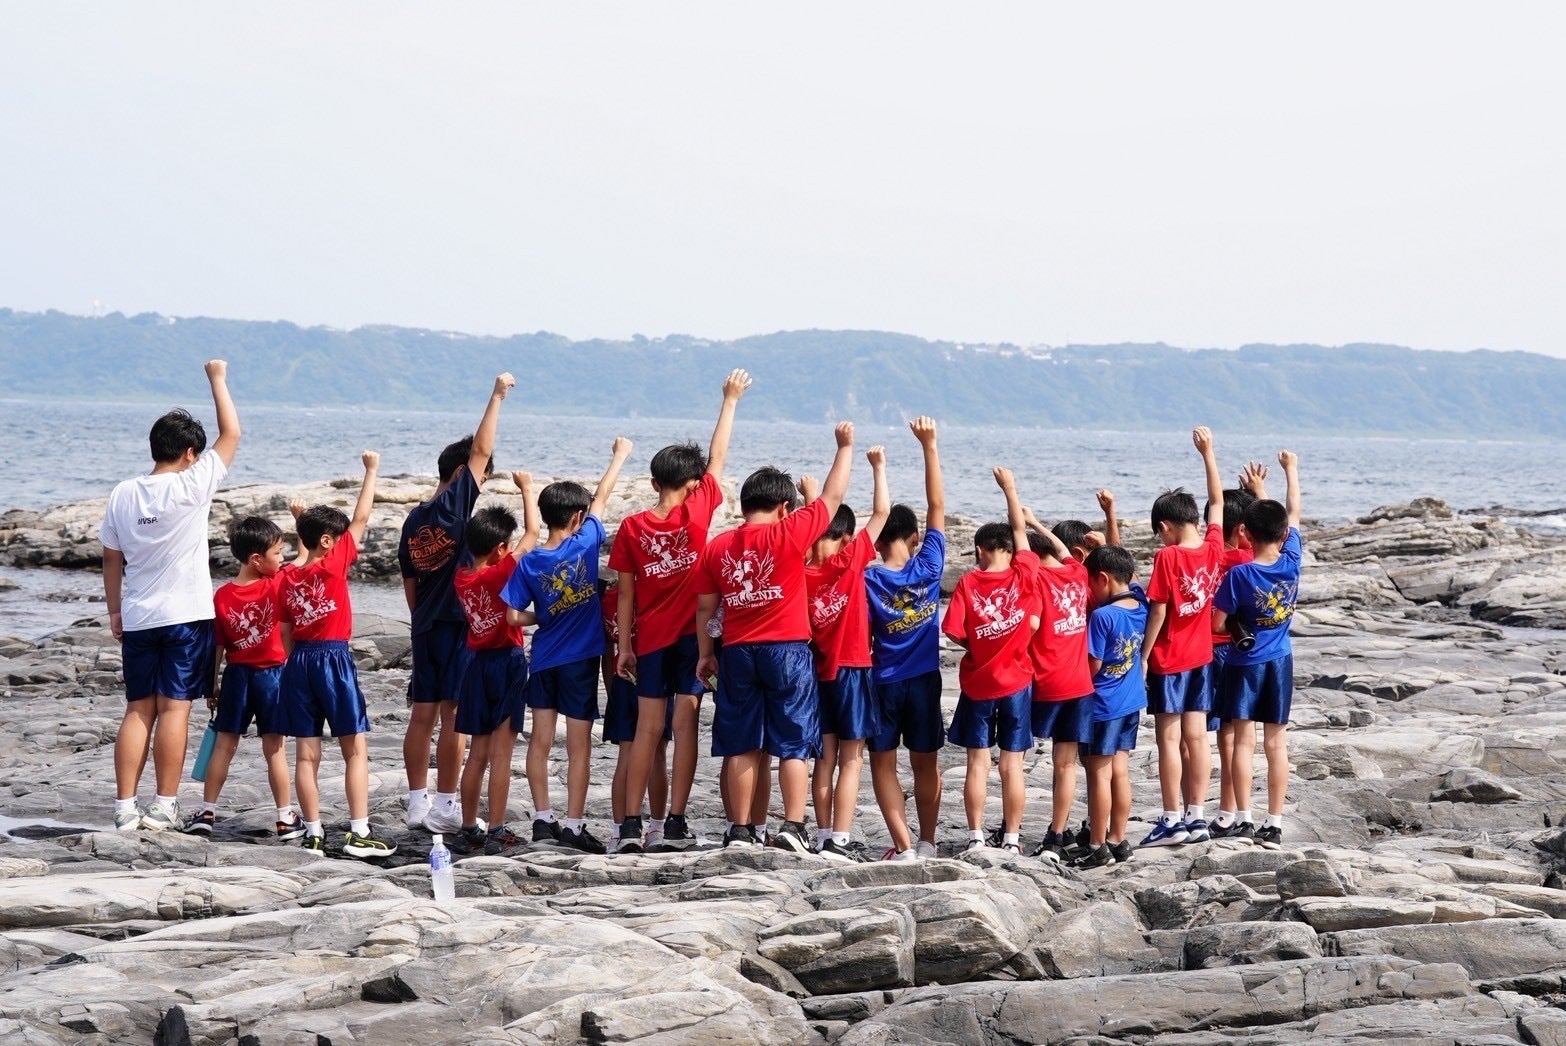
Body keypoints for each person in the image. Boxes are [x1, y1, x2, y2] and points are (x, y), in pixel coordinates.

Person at [695, 422, 856, 852]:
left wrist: (705, 654)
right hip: (786, 650)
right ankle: (793, 826)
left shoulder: (717, 546)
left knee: (743, 743)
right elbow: (832, 497)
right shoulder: (789, 531)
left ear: (745, 504)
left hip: (737, 650)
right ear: (784, 507)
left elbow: (706, 609)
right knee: (793, 742)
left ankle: (740, 829)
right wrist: (844, 447)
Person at [610, 369, 750, 851]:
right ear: (692, 485)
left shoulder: (632, 526)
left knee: (647, 729)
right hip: (693, 638)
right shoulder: (697, 509)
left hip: (648, 639)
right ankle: (674, 821)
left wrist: (623, 646)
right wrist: (730, 400)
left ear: (653, 481)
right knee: (685, 726)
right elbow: (719, 457)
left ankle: (631, 825)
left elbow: (624, 594)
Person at [102, 359, 240, 831]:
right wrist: (217, 378)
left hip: (139, 616)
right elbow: (232, 433)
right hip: (185, 615)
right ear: (188, 452)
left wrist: (115, 611)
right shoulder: (191, 484)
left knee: (138, 709)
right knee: (174, 708)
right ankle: (164, 805)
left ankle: (124, 807)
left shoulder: (123, 493)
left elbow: (112, 559)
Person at [503, 437, 634, 854]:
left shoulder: (529, 561)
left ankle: (543, 820)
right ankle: (574, 826)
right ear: (577, 517)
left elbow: (512, 617)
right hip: (580, 662)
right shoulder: (586, 541)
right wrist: (619, 456)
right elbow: (603, 496)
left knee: (540, 742)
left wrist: (544, 616)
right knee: (579, 747)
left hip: (543, 659)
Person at [400, 373, 515, 834]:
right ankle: (446, 805)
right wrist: (497, 396)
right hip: (455, 627)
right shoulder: (453, 509)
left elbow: (410, 582)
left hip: (425, 626)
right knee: (453, 714)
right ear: (461, 475)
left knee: (421, 715)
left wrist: (420, 620)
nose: (482, 482)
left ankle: (416, 802)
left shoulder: (413, 520)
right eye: (480, 478)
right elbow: (481, 450)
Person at [280, 451, 394, 858]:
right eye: (338, 537)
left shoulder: (286, 577)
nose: (347, 539)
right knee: (354, 748)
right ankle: (359, 832)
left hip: (298, 663)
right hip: (333, 659)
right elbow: (361, 517)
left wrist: (302, 523)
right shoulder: (333, 565)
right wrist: (371, 471)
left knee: (306, 755)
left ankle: (313, 833)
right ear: (328, 541)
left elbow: (285, 630)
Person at [183, 507, 309, 838]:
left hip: (236, 677)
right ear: (256, 559)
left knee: (224, 745)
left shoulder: (222, 595)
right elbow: (304, 559)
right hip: (273, 678)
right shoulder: (276, 583)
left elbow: (217, 648)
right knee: (275, 749)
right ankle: (285, 817)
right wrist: (301, 521)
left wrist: (211, 684)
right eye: (277, 552)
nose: (282, 559)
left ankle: (206, 812)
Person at [941, 467, 1040, 856]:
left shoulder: (969, 583)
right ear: (1011, 551)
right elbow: (1020, 530)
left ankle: (976, 837)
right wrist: (1010, 489)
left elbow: (952, 630)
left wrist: (977, 644)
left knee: (977, 764)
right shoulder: (1025, 574)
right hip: (1017, 682)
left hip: (979, 684)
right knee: (1012, 766)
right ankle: (1012, 839)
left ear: (981, 549)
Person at [801, 443, 889, 861]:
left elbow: (808, 534)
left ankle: (821, 834)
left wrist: (810, 499)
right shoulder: (850, 561)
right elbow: (883, 512)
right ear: (848, 537)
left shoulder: (800, 571)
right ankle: (839, 837)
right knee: (852, 760)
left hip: (817, 673)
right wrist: (878, 467)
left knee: (825, 757)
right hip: (853, 669)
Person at [1139, 426, 1225, 848]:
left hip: (1170, 659)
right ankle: (1198, 815)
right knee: (1197, 738)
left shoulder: (1168, 556)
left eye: (1160, 531)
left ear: (1166, 526)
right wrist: (1208, 453)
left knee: (1169, 740)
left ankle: (1172, 818)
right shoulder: (1213, 548)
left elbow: (1158, 609)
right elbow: (1218, 502)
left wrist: (1142, 656)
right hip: (1202, 657)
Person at [1213, 450, 1303, 849]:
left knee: (1243, 742)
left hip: (1244, 662)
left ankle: (1244, 819)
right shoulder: (1292, 560)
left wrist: (1237, 623)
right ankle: (1275, 823)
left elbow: (1217, 624)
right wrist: (1289, 471)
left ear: (1245, 534)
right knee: (1276, 743)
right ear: (1283, 535)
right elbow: (1292, 513)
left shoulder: (1239, 574)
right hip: (1280, 661)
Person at [864, 417, 945, 861]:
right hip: (925, 679)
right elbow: (937, 504)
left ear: (877, 542)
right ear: (915, 537)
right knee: (926, 762)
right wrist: (929, 446)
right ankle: (928, 841)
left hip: (884, 681)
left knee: (883, 762)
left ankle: (903, 846)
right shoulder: (929, 566)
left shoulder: (868, 580)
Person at [451, 476, 540, 854]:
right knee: (502, 754)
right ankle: (497, 829)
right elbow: (533, 533)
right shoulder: (502, 571)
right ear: (500, 548)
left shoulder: (461, 577)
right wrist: (526, 488)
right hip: (507, 663)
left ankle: (469, 825)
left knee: (477, 753)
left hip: (475, 667)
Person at [1020, 505, 1093, 863]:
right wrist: (1034, 522)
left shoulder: (1035, 581)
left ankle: (1010, 828)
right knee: (1065, 765)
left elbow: (1030, 625)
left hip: (1044, 684)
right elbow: (1064, 549)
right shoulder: (1077, 573)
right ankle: (1057, 834)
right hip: (1079, 685)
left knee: (1014, 759)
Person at [1073, 544, 1148, 869]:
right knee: (1121, 771)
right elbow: (1135, 580)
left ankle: (1097, 844)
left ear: (1102, 578)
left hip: (1103, 704)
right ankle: (1118, 839)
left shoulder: (1103, 616)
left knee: (1099, 775)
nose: (1090, 590)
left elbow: (1094, 664)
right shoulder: (1141, 604)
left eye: (1091, 582)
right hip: (1131, 701)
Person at [1207, 465, 1264, 839]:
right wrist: (1259, 496)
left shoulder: (1212, 555)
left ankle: (1228, 812)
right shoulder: (1247, 560)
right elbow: (1276, 537)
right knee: (1241, 735)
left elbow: (1215, 506)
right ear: (1244, 529)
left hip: (1212, 651)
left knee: (1225, 735)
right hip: (1242, 652)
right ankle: (1234, 810)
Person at [600, 574, 671, 852]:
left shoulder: (606, 598)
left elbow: (608, 651)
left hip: (622, 679)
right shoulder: (652, 593)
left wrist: (612, 687)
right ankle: (656, 827)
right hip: (655, 674)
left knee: (626, 755)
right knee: (657, 753)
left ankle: (619, 831)